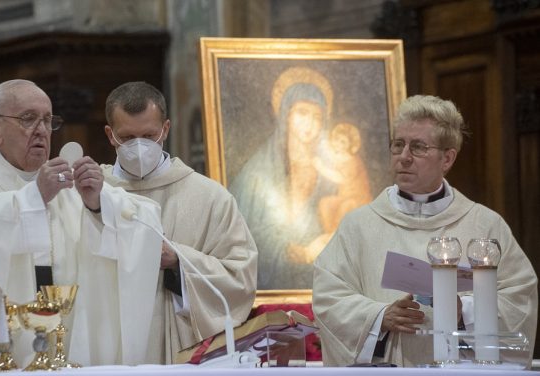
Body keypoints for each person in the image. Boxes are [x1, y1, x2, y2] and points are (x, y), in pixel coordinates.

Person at [0, 79, 163, 367]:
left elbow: (142, 218)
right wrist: (31, 201)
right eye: (28, 118)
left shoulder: (64, 180)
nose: (42, 130)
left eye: (48, 120)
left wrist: (97, 204)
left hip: (65, 349)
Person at [313, 95, 538, 367]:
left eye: (418, 147)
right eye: (398, 145)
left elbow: (520, 302)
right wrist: (378, 317)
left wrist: (464, 312)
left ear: (447, 159)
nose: (404, 157)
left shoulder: (486, 226)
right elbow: (329, 298)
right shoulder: (358, 226)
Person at [100, 81, 258, 364]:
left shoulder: (210, 197)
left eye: (149, 135)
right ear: (110, 135)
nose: (139, 147)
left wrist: (178, 262)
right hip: (108, 342)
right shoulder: (94, 195)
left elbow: (241, 277)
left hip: (180, 350)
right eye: (128, 137)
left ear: (166, 129)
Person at [229, 66, 336, 289]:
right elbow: (243, 235)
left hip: (324, 285)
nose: (309, 123)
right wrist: (299, 253)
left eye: (317, 116)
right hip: (271, 286)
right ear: (286, 115)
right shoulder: (256, 174)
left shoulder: (330, 173)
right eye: (302, 113)